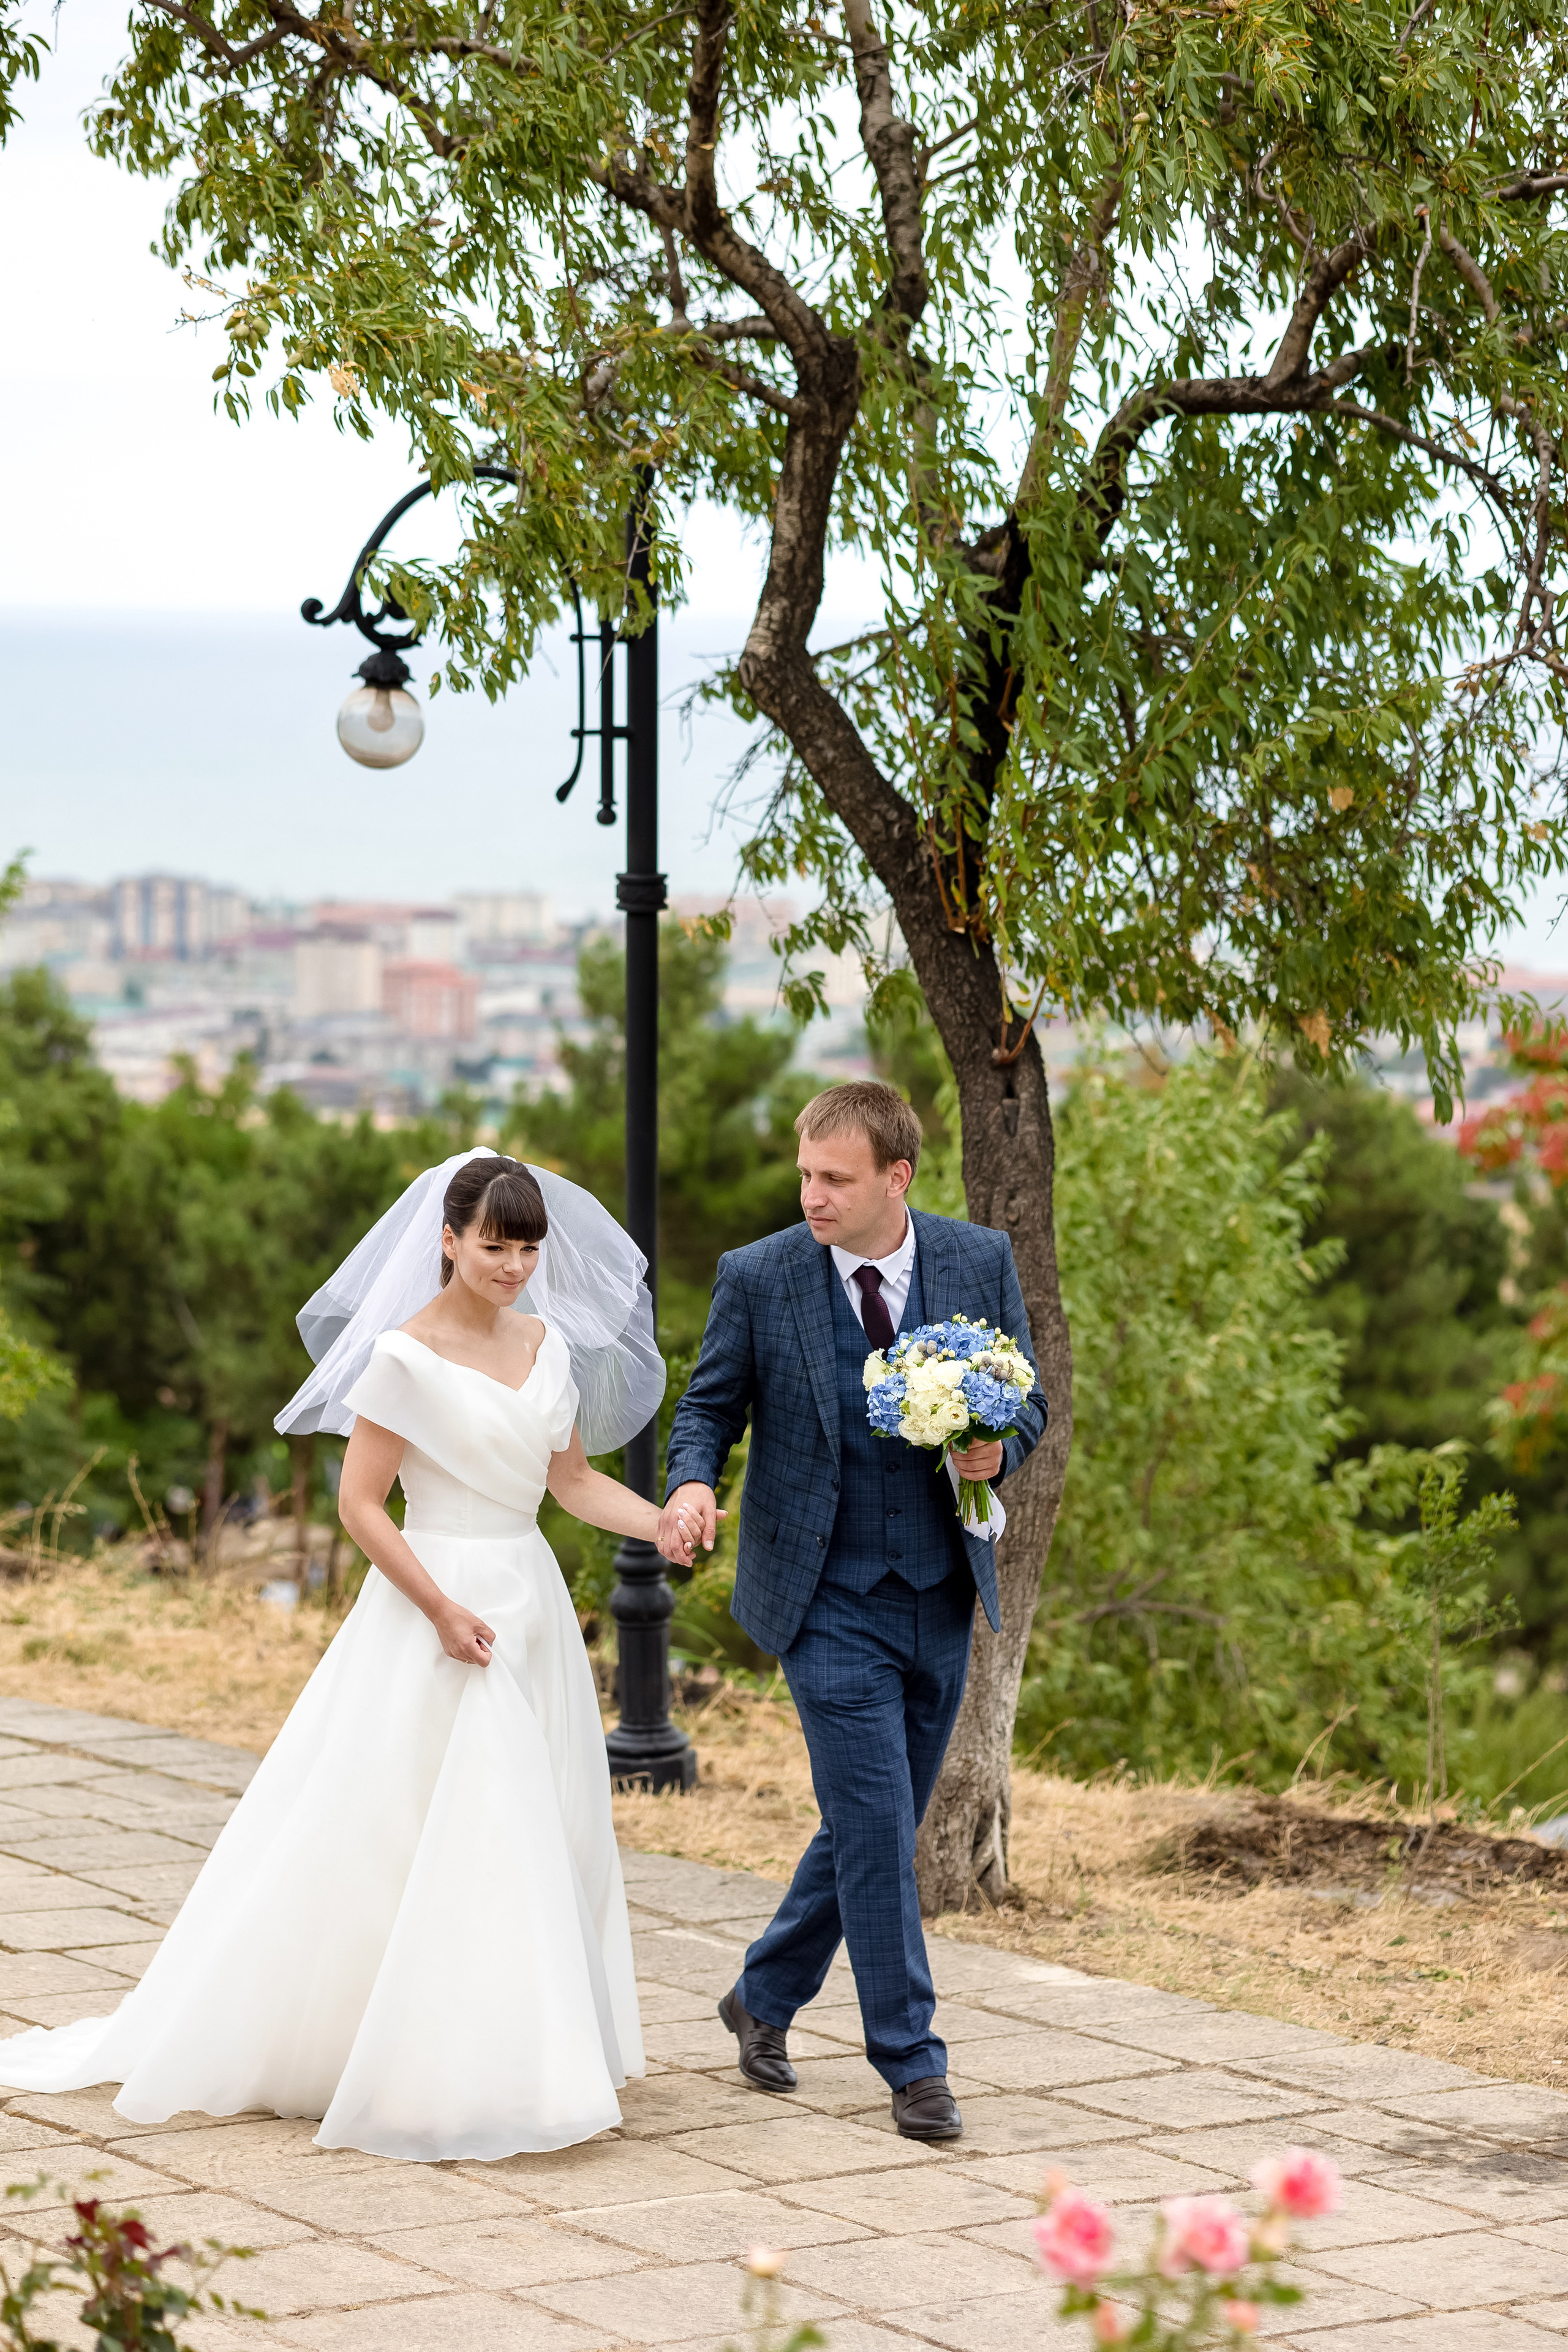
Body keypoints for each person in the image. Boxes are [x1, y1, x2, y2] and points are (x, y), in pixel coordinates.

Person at [0, 1150, 690, 2162]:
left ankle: (528, 2042)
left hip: (527, 1596)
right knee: (435, 1822)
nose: (513, 1266)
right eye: (494, 1245)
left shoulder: (548, 1346)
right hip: (438, 1596)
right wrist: (442, 1608)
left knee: (540, 1820)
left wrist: (659, 1522)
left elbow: (574, 1482)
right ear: (448, 1240)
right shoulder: (401, 1358)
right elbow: (360, 1505)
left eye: (527, 1247)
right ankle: (435, 2063)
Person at [659, 1080, 1047, 2143]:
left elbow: (1031, 1397)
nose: (812, 1196)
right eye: (805, 1174)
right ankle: (912, 2063)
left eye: (835, 1179)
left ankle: (762, 1997)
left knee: (871, 1824)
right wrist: (692, 1483)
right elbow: (707, 1406)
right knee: (879, 1823)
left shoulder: (980, 1261)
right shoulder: (761, 1275)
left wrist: (995, 1447)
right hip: (820, 1594)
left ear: (896, 1178)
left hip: (941, 1588)